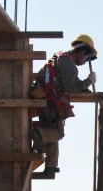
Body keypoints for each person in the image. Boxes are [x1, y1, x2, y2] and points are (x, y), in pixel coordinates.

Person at [30, 34, 98, 178]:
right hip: (49, 100)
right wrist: (88, 81)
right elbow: (73, 88)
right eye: (87, 58)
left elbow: (69, 82)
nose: (85, 62)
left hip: (45, 97)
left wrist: (84, 87)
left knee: (53, 128)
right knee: (58, 133)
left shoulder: (62, 58)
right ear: (82, 51)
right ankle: (39, 135)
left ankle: (50, 166)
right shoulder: (68, 63)